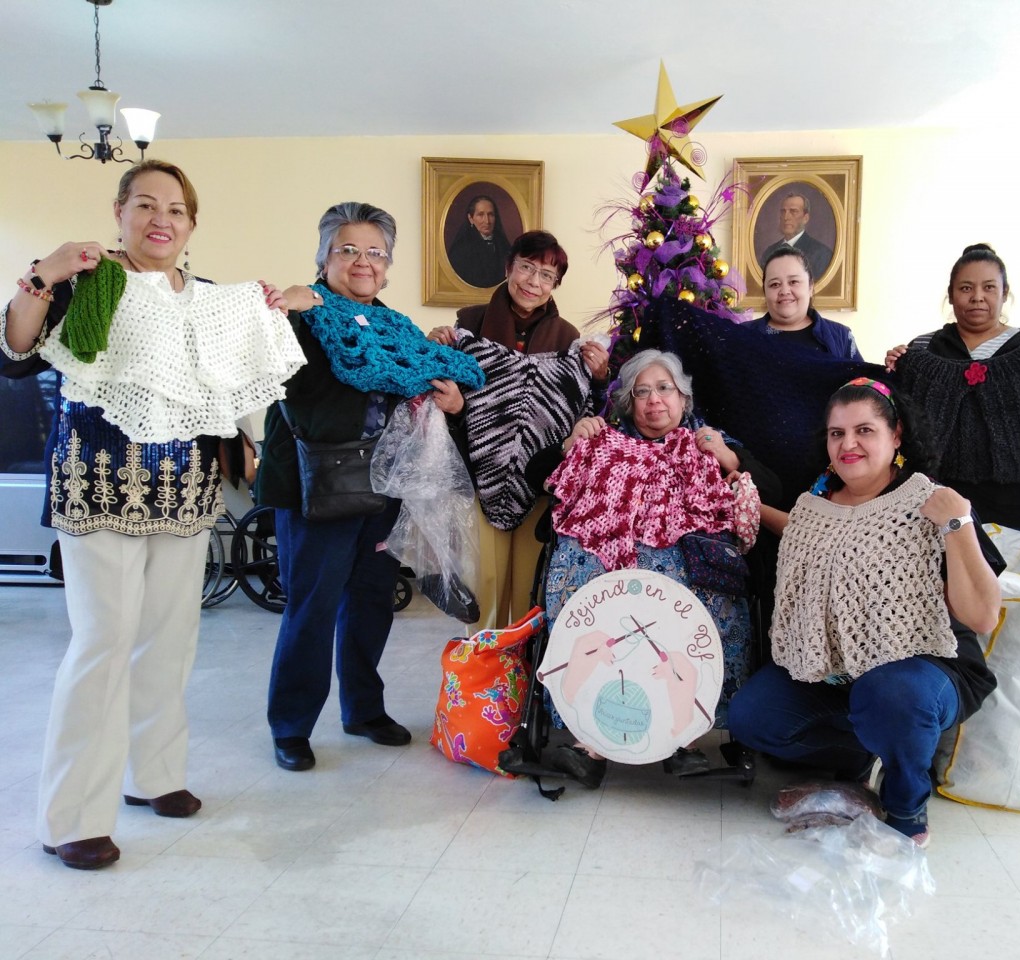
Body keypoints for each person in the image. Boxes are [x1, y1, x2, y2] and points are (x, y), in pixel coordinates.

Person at [1, 160, 295, 870]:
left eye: (177, 209)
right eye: (145, 205)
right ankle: (70, 817)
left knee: (170, 635)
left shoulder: (213, 298)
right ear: (120, 211)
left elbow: (232, 379)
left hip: (185, 484)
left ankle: (155, 775)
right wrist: (43, 272)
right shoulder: (86, 279)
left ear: (192, 225)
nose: (161, 218)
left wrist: (273, 309)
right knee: (104, 640)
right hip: (100, 478)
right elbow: (14, 351)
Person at [728, 378, 1003, 847]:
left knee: (891, 693)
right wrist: (753, 507)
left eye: (865, 430)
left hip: (923, 669)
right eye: (837, 433)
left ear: (896, 435)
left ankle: (905, 804)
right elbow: (828, 538)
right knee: (751, 718)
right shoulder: (816, 506)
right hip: (839, 673)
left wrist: (959, 523)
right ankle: (873, 755)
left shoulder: (931, 503)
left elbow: (981, 617)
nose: (848, 443)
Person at [259, 202, 479, 773]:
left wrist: (451, 399)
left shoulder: (396, 329)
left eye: (375, 253)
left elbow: (433, 389)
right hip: (319, 487)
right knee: (312, 607)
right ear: (324, 257)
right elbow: (276, 378)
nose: (363, 262)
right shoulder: (298, 317)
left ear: (388, 266)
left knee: (372, 600)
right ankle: (291, 725)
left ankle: (363, 708)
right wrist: (287, 308)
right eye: (348, 249)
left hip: (385, 488)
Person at [527, 349, 782, 788]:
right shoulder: (602, 439)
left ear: (683, 398)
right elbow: (538, 474)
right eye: (641, 392)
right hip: (608, 563)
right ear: (628, 402)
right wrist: (572, 442)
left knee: (688, 605)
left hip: (688, 563)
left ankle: (682, 737)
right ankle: (590, 741)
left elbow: (773, 489)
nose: (653, 400)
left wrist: (726, 456)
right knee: (596, 607)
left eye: (664, 389)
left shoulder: (708, 442)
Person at [429, 231, 610, 631]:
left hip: (541, 481)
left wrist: (598, 378)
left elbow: (584, 411)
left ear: (555, 285)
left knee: (532, 591)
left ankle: (524, 682)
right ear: (508, 266)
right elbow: (432, 402)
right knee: (485, 588)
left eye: (547, 275)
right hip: (478, 475)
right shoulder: (468, 324)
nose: (533, 281)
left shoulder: (569, 340)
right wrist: (437, 356)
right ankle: (485, 683)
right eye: (527, 267)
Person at [885, 243, 1020, 533]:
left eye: (989, 287)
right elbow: (903, 427)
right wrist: (895, 371)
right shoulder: (924, 349)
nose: (977, 297)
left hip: (1017, 505)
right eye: (966, 288)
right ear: (951, 295)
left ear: (1004, 293)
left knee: (1014, 579)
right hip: (938, 503)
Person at [747, 247, 862, 358]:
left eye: (793, 282)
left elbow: (863, 377)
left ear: (810, 287)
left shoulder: (841, 336)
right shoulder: (742, 334)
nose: (785, 291)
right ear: (765, 291)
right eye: (775, 284)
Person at [760, 191, 833, 281]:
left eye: (793, 211)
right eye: (783, 212)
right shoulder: (769, 252)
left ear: (805, 218)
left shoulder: (821, 254)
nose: (786, 217)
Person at [446, 194, 511, 288]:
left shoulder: (504, 247)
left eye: (491, 215)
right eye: (480, 215)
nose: (487, 221)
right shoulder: (460, 250)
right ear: (471, 218)